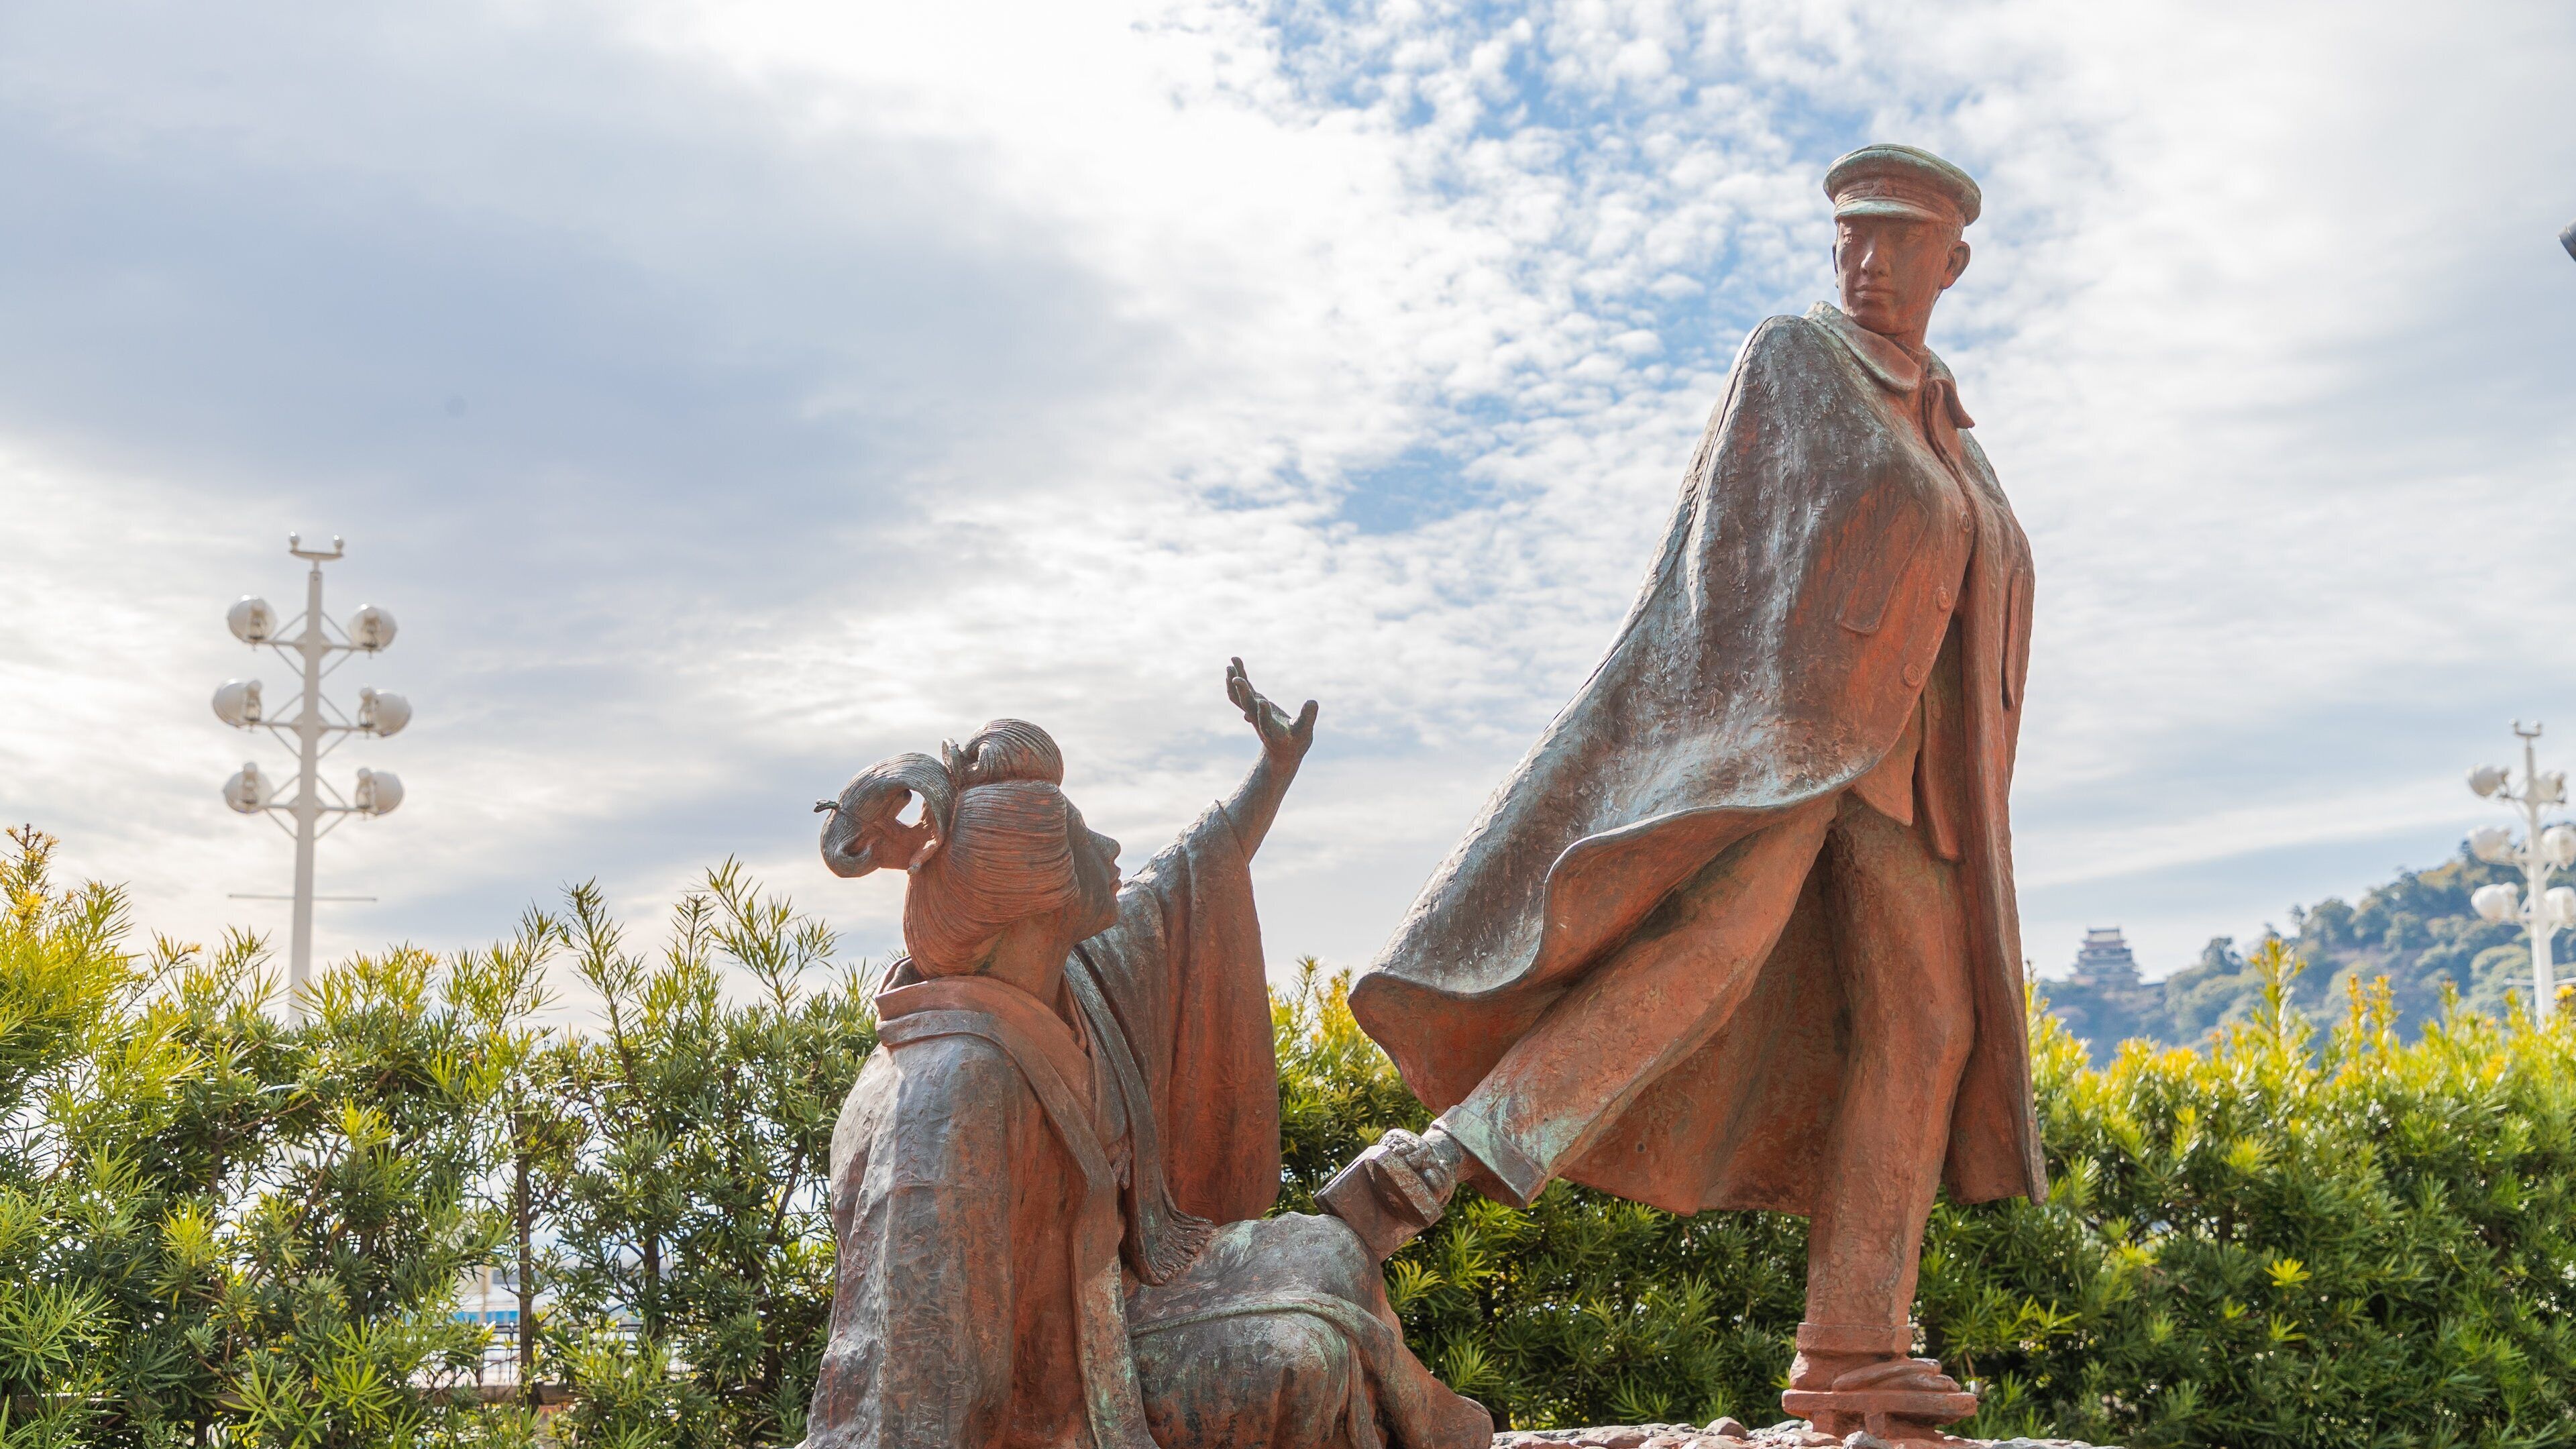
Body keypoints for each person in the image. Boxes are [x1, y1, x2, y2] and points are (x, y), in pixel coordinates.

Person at [1330, 145, 2043, 1437]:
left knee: (1928, 1029)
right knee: (1697, 957)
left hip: (1914, 779)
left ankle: (1852, 1344)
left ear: (1955, 263)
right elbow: (1723, 571)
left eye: (1903, 242)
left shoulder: (1951, 424)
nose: (1873, 264)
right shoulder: (1802, 361)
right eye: (1855, 240)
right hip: (1792, 740)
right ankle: (1425, 1171)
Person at [804, 661, 1488, 1449]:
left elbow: (1189, 877)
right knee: (1305, 1352)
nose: (1111, 846)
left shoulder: (1074, 975)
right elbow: (917, 1360)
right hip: (1064, 1388)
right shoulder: (948, 1087)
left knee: (1329, 1251)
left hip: (1123, 1297)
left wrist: (1275, 770)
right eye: (1080, 837)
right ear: (1041, 891)